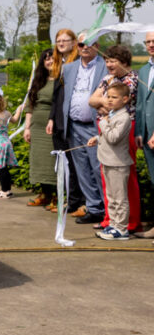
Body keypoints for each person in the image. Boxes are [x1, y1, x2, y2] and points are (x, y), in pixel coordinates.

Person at [52, 35, 108, 226]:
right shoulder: (68, 68)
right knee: (82, 169)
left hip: (94, 126)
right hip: (74, 125)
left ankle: (107, 211)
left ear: (97, 46)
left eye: (90, 44)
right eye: (82, 44)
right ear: (77, 46)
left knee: (98, 168)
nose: (85, 47)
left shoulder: (105, 66)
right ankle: (93, 208)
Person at [88, 44, 141, 234]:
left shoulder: (132, 79)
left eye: (113, 61)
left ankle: (131, 222)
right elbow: (91, 100)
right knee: (107, 178)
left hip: (123, 130)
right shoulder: (107, 78)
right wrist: (103, 103)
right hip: (104, 128)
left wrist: (103, 103)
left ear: (124, 62)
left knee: (125, 178)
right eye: (106, 60)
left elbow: (112, 102)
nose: (108, 64)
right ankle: (111, 219)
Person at [86, 83, 133, 241]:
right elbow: (108, 135)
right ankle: (113, 224)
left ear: (125, 99)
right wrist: (97, 138)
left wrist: (102, 123)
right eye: (108, 97)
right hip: (107, 160)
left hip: (118, 164)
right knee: (111, 197)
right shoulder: (112, 115)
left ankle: (121, 228)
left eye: (115, 97)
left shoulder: (124, 117)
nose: (110, 100)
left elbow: (114, 137)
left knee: (120, 198)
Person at [22, 49, 57, 208]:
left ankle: (57, 196)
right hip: (36, 126)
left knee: (52, 162)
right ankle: (45, 194)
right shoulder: (38, 81)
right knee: (39, 161)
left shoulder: (61, 80)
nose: (49, 61)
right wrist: (27, 128)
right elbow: (31, 105)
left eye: (52, 58)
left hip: (53, 126)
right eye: (46, 59)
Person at [133, 32, 154, 238]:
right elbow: (139, 104)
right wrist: (139, 131)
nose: (151, 45)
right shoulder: (144, 70)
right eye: (147, 42)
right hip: (147, 135)